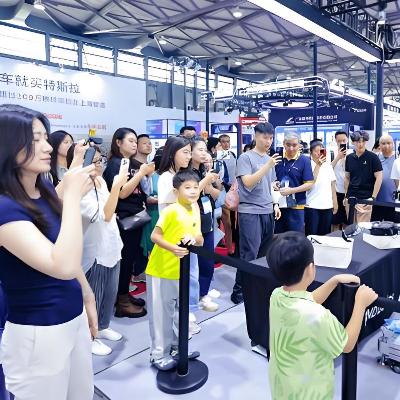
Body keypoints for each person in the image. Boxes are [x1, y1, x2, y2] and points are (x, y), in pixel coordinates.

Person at [0, 104, 96, 399]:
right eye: (35, 140)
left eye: (45, 137)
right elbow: (61, 264)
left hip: (71, 316)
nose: (47, 147)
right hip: (38, 332)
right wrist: (71, 197)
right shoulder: (5, 207)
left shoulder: (42, 190)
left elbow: (67, 253)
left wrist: (87, 295)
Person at [267, 232, 378, 400]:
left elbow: (309, 299)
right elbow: (346, 344)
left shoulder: (277, 295)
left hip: (283, 386)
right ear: (310, 269)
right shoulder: (317, 315)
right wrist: (361, 304)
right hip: (311, 393)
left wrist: (333, 281)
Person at [67, 145, 127, 356]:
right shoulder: (78, 187)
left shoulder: (100, 181)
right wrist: (117, 186)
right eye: (94, 161)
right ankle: (89, 337)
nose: (99, 165)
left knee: (109, 293)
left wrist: (114, 188)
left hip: (111, 245)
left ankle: (102, 326)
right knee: (93, 295)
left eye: (100, 161)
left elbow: (110, 210)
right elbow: (105, 215)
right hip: (94, 251)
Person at [146, 169, 204, 371]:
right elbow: (155, 236)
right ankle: (158, 355)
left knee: (180, 312)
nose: (193, 191)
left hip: (182, 271)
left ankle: (179, 348)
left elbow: (199, 238)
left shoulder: (194, 209)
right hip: (162, 270)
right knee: (161, 315)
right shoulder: (171, 210)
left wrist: (194, 239)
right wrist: (173, 248)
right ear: (176, 191)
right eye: (187, 187)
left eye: (196, 187)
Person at [103, 127, 154, 318]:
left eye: (135, 141)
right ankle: (121, 302)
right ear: (118, 142)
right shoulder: (115, 164)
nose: (134, 144)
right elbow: (122, 192)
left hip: (134, 217)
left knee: (129, 259)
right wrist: (141, 173)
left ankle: (123, 295)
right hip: (123, 219)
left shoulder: (130, 163)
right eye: (130, 141)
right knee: (124, 260)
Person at [191, 138, 221, 312]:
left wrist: (209, 182)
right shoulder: (187, 172)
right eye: (200, 150)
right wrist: (206, 180)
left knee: (207, 260)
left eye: (205, 150)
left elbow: (216, 195)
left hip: (208, 217)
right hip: (194, 222)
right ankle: (194, 298)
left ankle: (203, 293)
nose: (204, 153)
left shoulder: (203, 170)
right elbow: (191, 195)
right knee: (195, 264)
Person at [275, 132, 314, 233]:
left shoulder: (304, 160)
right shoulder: (277, 159)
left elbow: (309, 184)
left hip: (297, 206)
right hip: (278, 206)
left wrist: (292, 190)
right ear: (284, 143)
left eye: (294, 145)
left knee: (295, 238)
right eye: (288, 145)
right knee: (278, 238)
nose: (291, 148)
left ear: (299, 145)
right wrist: (275, 184)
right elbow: (272, 179)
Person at [344, 131, 382, 223]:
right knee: (351, 226)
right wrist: (346, 196)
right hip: (351, 197)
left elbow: (379, 177)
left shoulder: (373, 157)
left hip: (366, 198)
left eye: (363, 141)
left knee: (362, 228)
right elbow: (347, 177)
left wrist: (373, 197)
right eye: (358, 141)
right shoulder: (349, 158)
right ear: (353, 142)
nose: (360, 144)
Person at [305, 139, 337, 236]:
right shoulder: (307, 165)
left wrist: (335, 202)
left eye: (321, 151)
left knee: (325, 235)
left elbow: (332, 185)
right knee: (312, 234)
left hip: (327, 205)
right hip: (312, 205)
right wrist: (318, 165)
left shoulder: (328, 166)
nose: (319, 153)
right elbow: (311, 182)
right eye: (316, 151)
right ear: (311, 152)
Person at [218, 134, 237, 256]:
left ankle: (230, 248)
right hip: (220, 188)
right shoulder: (219, 155)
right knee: (225, 219)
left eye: (228, 141)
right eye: (223, 142)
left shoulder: (233, 154)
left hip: (232, 188)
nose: (226, 144)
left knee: (230, 220)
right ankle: (227, 247)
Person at [371, 135, 396, 221]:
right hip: (377, 201)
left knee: (393, 226)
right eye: (383, 143)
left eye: (389, 143)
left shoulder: (397, 158)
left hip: (393, 202)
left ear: (393, 144)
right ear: (379, 145)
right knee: (375, 225)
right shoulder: (375, 158)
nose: (386, 146)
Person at [331, 131, 349, 230]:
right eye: (339, 141)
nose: (341, 143)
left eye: (344, 140)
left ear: (347, 140)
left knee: (348, 220)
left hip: (348, 192)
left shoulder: (352, 153)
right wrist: (338, 157)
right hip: (336, 192)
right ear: (335, 141)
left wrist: (345, 158)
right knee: (335, 221)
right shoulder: (331, 153)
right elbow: (328, 169)